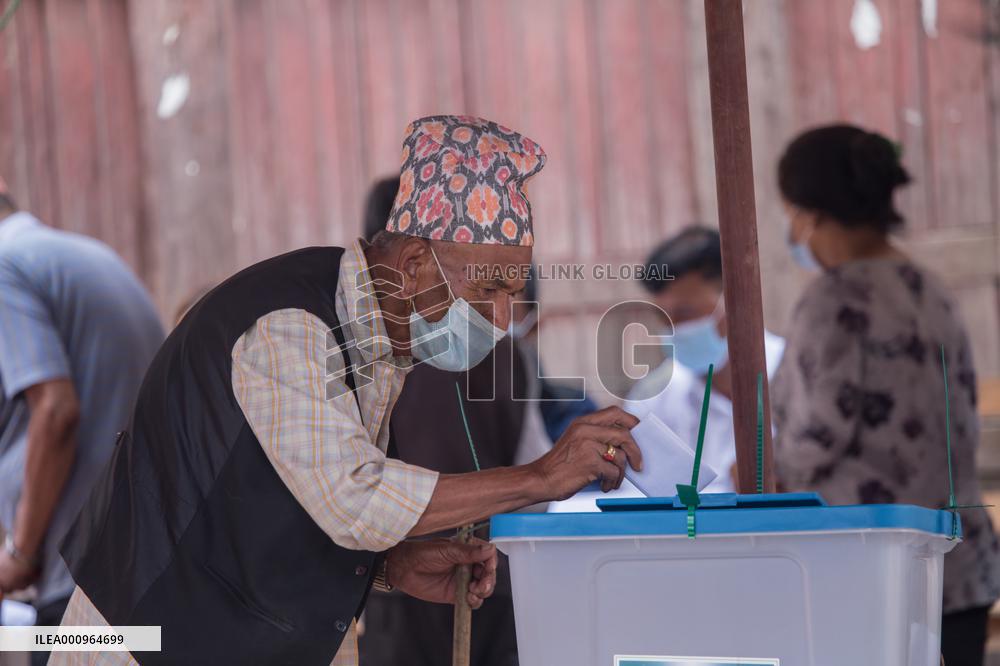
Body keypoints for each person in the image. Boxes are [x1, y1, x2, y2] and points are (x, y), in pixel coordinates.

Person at [54, 115, 643, 666]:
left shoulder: (379, 337)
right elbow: (353, 499)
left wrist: (387, 566)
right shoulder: (290, 327)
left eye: (512, 292)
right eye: (490, 287)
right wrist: (541, 477)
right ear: (413, 263)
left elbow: (284, 497)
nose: (501, 315)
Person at [771, 124, 1000, 666]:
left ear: (812, 214)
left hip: (878, 571)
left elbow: (813, 443)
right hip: (960, 565)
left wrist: (753, 470)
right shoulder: (929, 289)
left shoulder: (835, 301)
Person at [358, 177, 549, 666]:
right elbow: (535, 491)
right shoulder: (511, 355)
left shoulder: (365, 351)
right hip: (456, 581)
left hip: (415, 593)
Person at [0, 181, 164, 666]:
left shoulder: (5, 268)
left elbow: (56, 411)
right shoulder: (84, 254)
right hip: (142, 574)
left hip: (76, 594)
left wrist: (21, 552)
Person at [623, 226, 784, 492]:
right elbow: (636, 501)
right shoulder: (652, 400)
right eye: (664, 318)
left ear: (736, 300)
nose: (674, 329)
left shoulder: (796, 375)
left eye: (686, 313)